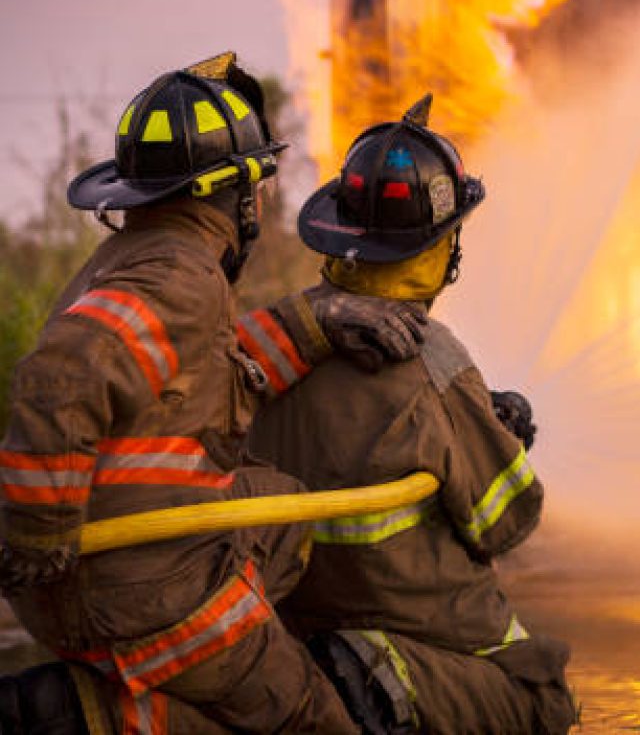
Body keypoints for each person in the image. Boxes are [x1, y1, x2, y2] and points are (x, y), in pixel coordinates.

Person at [0, 54, 429, 735]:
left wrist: (315, 322)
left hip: (91, 577)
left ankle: (126, 702)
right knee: (312, 718)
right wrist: (36, 528)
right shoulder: (182, 275)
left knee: (284, 517)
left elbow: (200, 374)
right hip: (140, 585)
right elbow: (63, 374)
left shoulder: (134, 261)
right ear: (236, 195)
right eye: (256, 184)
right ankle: (98, 715)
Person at [249, 95, 577, 734]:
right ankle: (383, 677)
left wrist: (481, 424)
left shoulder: (283, 339)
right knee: (544, 700)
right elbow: (504, 522)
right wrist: (503, 444)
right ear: (442, 246)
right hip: (418, 633)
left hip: (293, 631)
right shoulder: (434, 361)